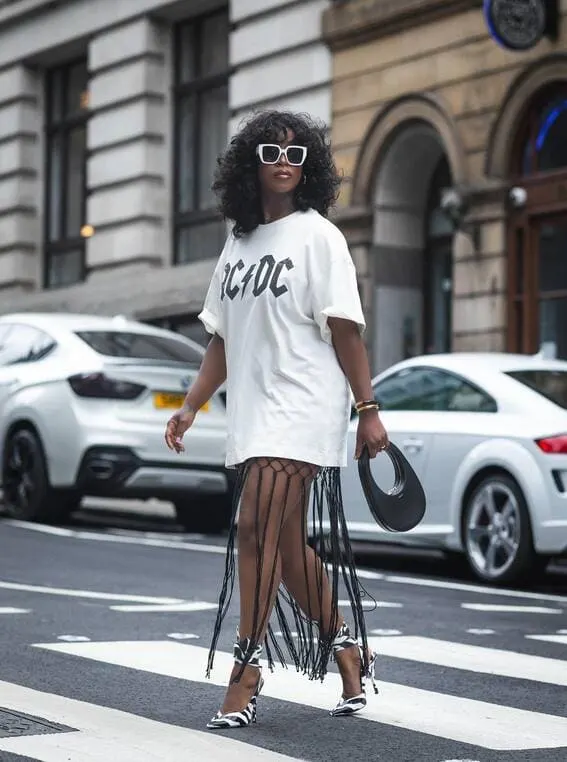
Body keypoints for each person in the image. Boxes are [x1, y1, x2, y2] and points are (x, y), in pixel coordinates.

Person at [165, 110, 389, 729]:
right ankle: (348, 650)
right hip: (255, 411)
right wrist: (190, 404)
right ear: (250, 165)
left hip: (302, 406)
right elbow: (222, 342)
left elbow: (346, 329)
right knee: (287, 554)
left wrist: (367, 410)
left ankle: (246, 667)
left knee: (250, 527)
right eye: (270, 152)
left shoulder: (320, 237)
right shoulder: (237, 243)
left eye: (296, 153)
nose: (284, 161)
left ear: (309, 165)